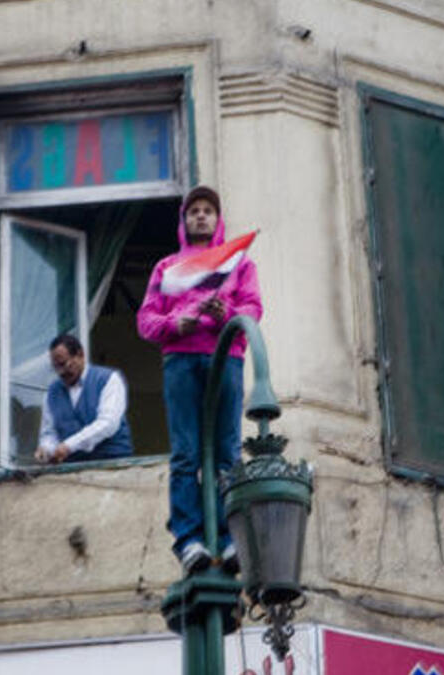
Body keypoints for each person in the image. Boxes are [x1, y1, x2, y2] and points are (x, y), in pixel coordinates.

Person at [137, 185, 263, 576]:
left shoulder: (239, 263)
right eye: (194, 211)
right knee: (186, 454)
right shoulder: (167, 267)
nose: (201, 216)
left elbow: (252, 309)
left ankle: (229, 540)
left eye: (208, 210)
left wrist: (223, 312)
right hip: (181, 360)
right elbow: (146, 321)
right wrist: (176, 323)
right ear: (184, 220)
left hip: (227, 358)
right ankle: (189, 540)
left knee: (227, 452)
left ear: (218, 218)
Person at [34, 334, 134, 464]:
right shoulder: (52, 393)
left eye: (64, 364)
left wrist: (69, 445)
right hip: (73, 468)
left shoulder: (108, 379)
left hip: (112, 462)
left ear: (80, 355)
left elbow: (108, 423)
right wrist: (46, 449)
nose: (61, 372)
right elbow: (49, 432)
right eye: (56, 368)